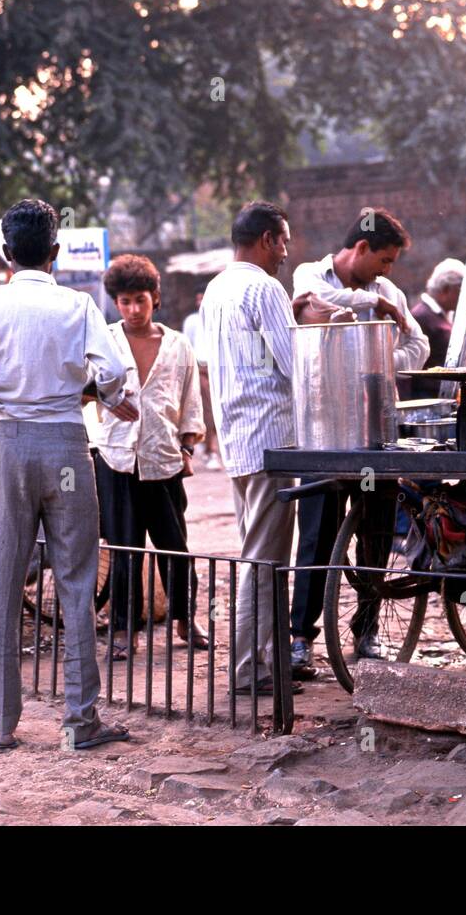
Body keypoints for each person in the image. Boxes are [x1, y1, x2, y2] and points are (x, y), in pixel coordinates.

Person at [0, 198, 137, 752]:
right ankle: (80, 721)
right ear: (57, 253)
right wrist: (102, 395)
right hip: (67, 445)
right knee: (77, 583)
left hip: (11, 445)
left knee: (0, 582)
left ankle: (1, 723)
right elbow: (112, 372)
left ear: (6, 254)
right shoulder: (79, 305)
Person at [287, 207, 430, 676]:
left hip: (373, 432)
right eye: (384, 260)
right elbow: (321, 300)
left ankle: (366, 629)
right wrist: (375, 311)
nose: (388, 272)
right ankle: (300, 639)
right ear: (362, 248)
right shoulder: (312, 273)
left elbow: (419, 346)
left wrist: (380, 350)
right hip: (325, 430)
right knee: (316, 536)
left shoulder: (390, 292)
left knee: (373, 534)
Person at [200, 200, 331, 696]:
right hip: (270, 440)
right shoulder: (264, 287)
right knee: (264, 559)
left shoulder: (218, 287)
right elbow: (292, 362)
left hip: (238, 436)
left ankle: (267, 663)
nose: (287, 251)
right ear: (267, 240)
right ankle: (250, 670)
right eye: (284, 241)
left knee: (263, 555)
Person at [92, 255, 208, 657]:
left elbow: (190, 400)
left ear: (154, 298)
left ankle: (183, 619)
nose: (133, 310)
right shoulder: (103, 341)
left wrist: (188, 445)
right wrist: (107, 396)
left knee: (175, 544)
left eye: (140, 300)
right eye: (125, 302)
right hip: (116, 457)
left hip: (163, 457)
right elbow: (81, 386)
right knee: (125, 548)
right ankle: (124, 632)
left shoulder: (178, 345)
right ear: (115, 303)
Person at [182, 285, 221, 470]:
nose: (200, 302)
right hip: (201, 368)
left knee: (220, 410)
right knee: (207, 411)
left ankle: (214, 449)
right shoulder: (192, 321)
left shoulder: (221, 317)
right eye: (198, 299)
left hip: (220, 369)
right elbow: (186, 346)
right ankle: (210, 451)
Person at [411, 258, 464, 368]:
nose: (463, 297)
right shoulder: (421, 317)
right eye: (460, 292)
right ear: (445, 289)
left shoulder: (445, 315)